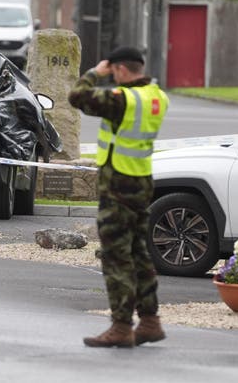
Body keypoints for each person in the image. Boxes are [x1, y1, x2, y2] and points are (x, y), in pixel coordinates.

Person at [68, 46, 169, 348]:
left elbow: (77, 97)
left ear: (121, 70)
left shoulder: (123, 100)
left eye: (113, 73)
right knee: (139, 253)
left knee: (116, 257)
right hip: (141, 182)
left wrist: (94, 73)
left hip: (118, 187)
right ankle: (150, 321)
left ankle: (122, 326)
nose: (111, 77)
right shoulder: (157, 96)